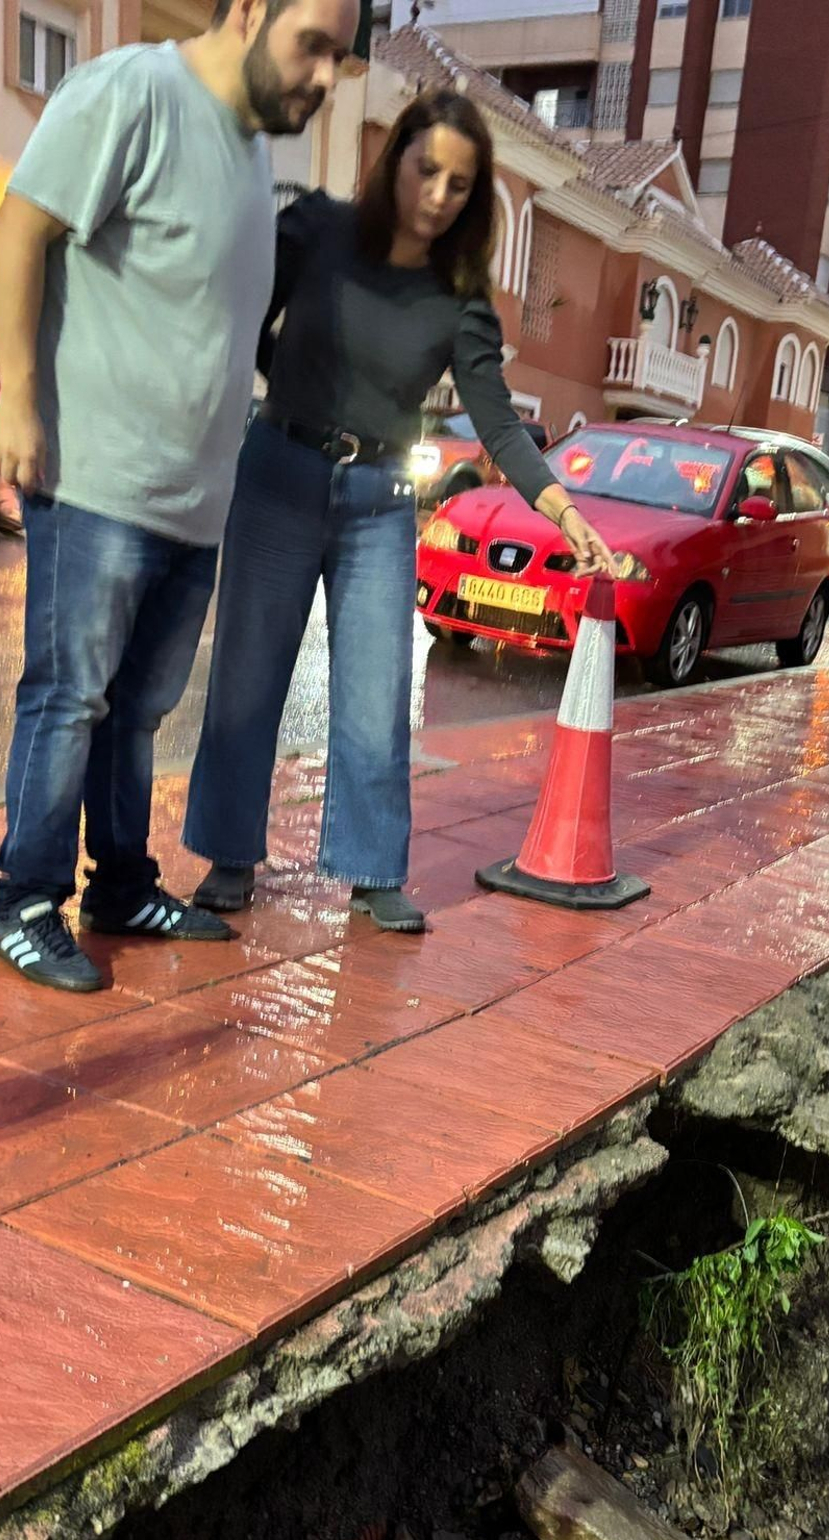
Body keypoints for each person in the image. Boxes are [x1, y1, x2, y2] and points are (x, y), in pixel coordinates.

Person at [0, 0, 358, 993]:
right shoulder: (135, 92)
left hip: (192, 504)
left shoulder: (245, 154)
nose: (325, 75)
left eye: (340, 56)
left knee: (135, 712)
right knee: (67, 697)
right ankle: (23, 900)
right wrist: (16, 398)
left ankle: (120, 884)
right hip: (98, 480)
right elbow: (21, 227)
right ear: (245, 12)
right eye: (312, 43)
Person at [183, 88, 615, 935]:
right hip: (279, 470)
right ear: (397, 160)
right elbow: (241, 323)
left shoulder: (460, 298)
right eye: (427, 170)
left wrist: (565, 512)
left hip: (379, 497)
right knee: (247, 673)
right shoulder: (317, 230)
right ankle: (230, 855)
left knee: (379, 689)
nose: (438, 195)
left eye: (459, 184)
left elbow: (497, 421)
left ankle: (373, 867)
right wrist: (279, 392)